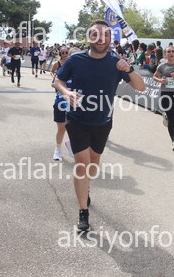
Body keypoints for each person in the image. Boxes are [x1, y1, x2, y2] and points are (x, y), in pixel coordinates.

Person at [53, 20, 145, 232]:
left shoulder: (116, 62)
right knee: (82, 164)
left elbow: (140, 87)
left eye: (105, 35)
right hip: (76, 118)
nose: (100, 38)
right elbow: (58, 80)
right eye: (95, 34)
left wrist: (129, 69)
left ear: (110, 38)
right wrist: (66, 93)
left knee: (93, 163)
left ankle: (86, 188)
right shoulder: (76, 59)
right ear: (89, 37)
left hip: (103, 122)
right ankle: (83, 212)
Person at [50, 47, 73, 160]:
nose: (65, 54)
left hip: (75, 103)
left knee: (75, 127)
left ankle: (70, 144)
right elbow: (54, 83)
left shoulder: (81, 70)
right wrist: (65, 90)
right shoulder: (61, 69)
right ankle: (58, 149)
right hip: (61, 102)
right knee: (62, 128)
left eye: (66, 53)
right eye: (63, 53)